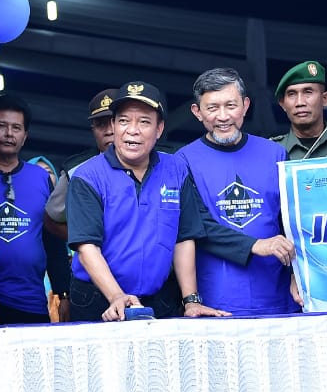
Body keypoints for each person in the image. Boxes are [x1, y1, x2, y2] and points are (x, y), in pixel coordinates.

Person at [66, 81, 228, 321]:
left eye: (144, 122)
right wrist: (116, 296)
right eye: (123, 121)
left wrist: (191, 300)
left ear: (159, 129)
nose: (132, 130)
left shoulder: (176, 169)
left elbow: (184, 238)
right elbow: (87, 247)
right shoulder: (87, 176)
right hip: (98, 297)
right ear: (113, 125)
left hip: (158, 297)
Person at [178, 69, 299, 316]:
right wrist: (256, 245)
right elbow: (196, 225)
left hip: (277, 294)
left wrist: (300, 276)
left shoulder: (275, 154)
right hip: (216, 299)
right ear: (197, 112)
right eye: (212, 108)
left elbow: (292, 224)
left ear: (245, 106)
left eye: (230, 105)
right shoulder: (183, 161)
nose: (223, 116)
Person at [0, 93, 70, 324]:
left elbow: (53, 240)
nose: (8, 134)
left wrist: (63, 294)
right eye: (1, 126)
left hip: (31, 300)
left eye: (16, 128)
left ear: (25, 136)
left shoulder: (40, 178)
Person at [44, 88, 118, 239]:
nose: (109, 131)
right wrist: (87, 242)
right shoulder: (76, 170)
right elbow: (51, 218)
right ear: (93, 130)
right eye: (101, 124)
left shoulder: (156, 162)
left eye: (115, 121)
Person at [271, 61, 327, 159]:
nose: (300, 102)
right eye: (292, 94)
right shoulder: (271, 151)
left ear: (325, 99)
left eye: (308, 92)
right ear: (282, 104)